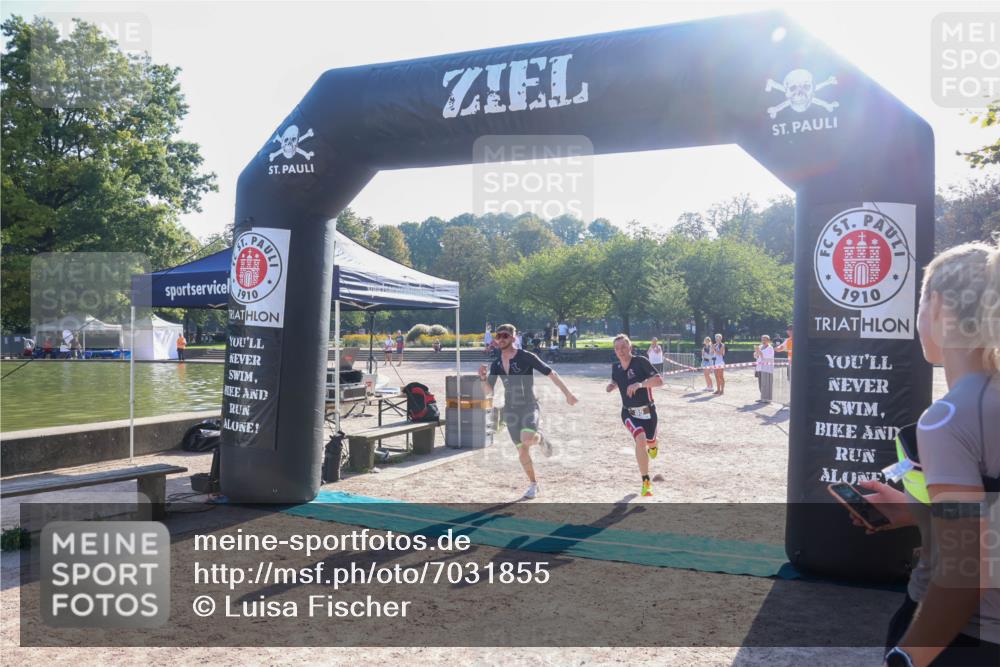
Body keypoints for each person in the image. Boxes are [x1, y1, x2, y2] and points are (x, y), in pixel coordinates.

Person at [845, 241, 1000, 667]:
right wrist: (917, 512)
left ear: (936, 307)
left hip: (966, 637)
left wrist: (906, 659)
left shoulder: (949, 417)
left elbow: (961, 577)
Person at [478, 323, 578, 499]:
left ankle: (540, 439)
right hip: (510, 409)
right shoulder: (497, 364)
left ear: (513, 338)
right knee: (522, 451)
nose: (501, 339)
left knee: (527, 438)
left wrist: (568, 394)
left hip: (529, 406)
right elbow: (489, 391)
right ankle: (533, 484)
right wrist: (483, 378)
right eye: (498, 336)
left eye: (505, 336)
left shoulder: (526, 357)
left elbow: (551, 373)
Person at [607, 334, 664, 497]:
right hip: (628, 413)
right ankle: (646, 482)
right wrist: (612, 385)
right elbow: (616, 379)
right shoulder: (615, 367)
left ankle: (654, 444)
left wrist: (640, 384)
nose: (621, 351)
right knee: (640, 439)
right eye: (617, 349)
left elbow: (659, 381)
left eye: (624, 347)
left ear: (630, 347)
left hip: (648, 411)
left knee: (651, 442)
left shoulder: (640, 362)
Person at [753, 334, 774, 402]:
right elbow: (756, 356)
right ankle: (762, 397)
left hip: (767, 368)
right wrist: (756, 351)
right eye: (762, 340)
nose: (763, 341)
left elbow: (765, 357)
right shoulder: (760, 346)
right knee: (760, 383)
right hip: (759, 367)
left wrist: (758, 351)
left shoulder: (770, 348)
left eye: (765, 340)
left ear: (768, 341)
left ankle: (767, 398)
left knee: (766, 383)